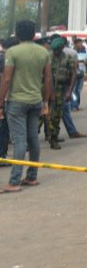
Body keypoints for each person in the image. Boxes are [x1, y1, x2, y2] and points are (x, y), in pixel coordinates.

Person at [0, 21, 51, 192]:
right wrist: (45, 101)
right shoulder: (43, 52)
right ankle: (31, 176)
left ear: (16, 34)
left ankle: (14, 181)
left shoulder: (13, 52)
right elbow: (48, 79)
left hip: (16, 101)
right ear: (34, 34)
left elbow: (7, 79)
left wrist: (0, 102)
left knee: (20, 141)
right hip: (36, 100)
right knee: (33, 139)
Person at [46, 37, 76, 150]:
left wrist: (69, 92)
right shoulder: (47, 57)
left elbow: (73, 74)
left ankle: (53, 139)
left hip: (60, 89)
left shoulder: (68, 59)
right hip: (46, 89)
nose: (56, 52)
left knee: (56, 115)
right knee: (41, 116)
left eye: (58, 49)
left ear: (62, 47)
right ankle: (30, 141)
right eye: (54, 50)